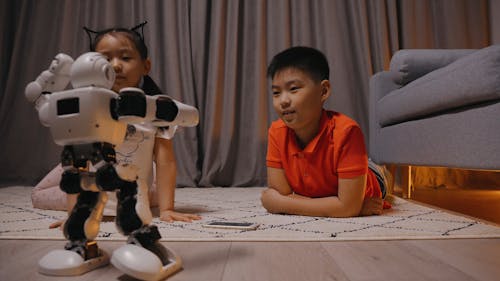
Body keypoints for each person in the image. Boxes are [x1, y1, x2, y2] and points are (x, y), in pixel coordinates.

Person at [34, 22, 200, 228]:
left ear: (145, 66)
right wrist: (74, 213)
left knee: (144, 187)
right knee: (41, 193)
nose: (115, 65)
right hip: (92, 174)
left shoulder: (154, 109)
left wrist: (167, 209)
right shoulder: (87, 108)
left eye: (125, 57)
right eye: (105, 59)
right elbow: (78, 166)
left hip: (129, 179)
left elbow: (166, 162)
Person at [261, 46, 391, 218]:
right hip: (331, 184)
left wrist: (282, 204)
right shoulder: (276, 131)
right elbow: (282, 194)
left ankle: (380, 170)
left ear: (323, 91)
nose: (283, 101)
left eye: (293, 89)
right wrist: (342, 206)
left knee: (376, 172)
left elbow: (280, 200)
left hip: (371, 178)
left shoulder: (347, 132)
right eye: (276, 93)